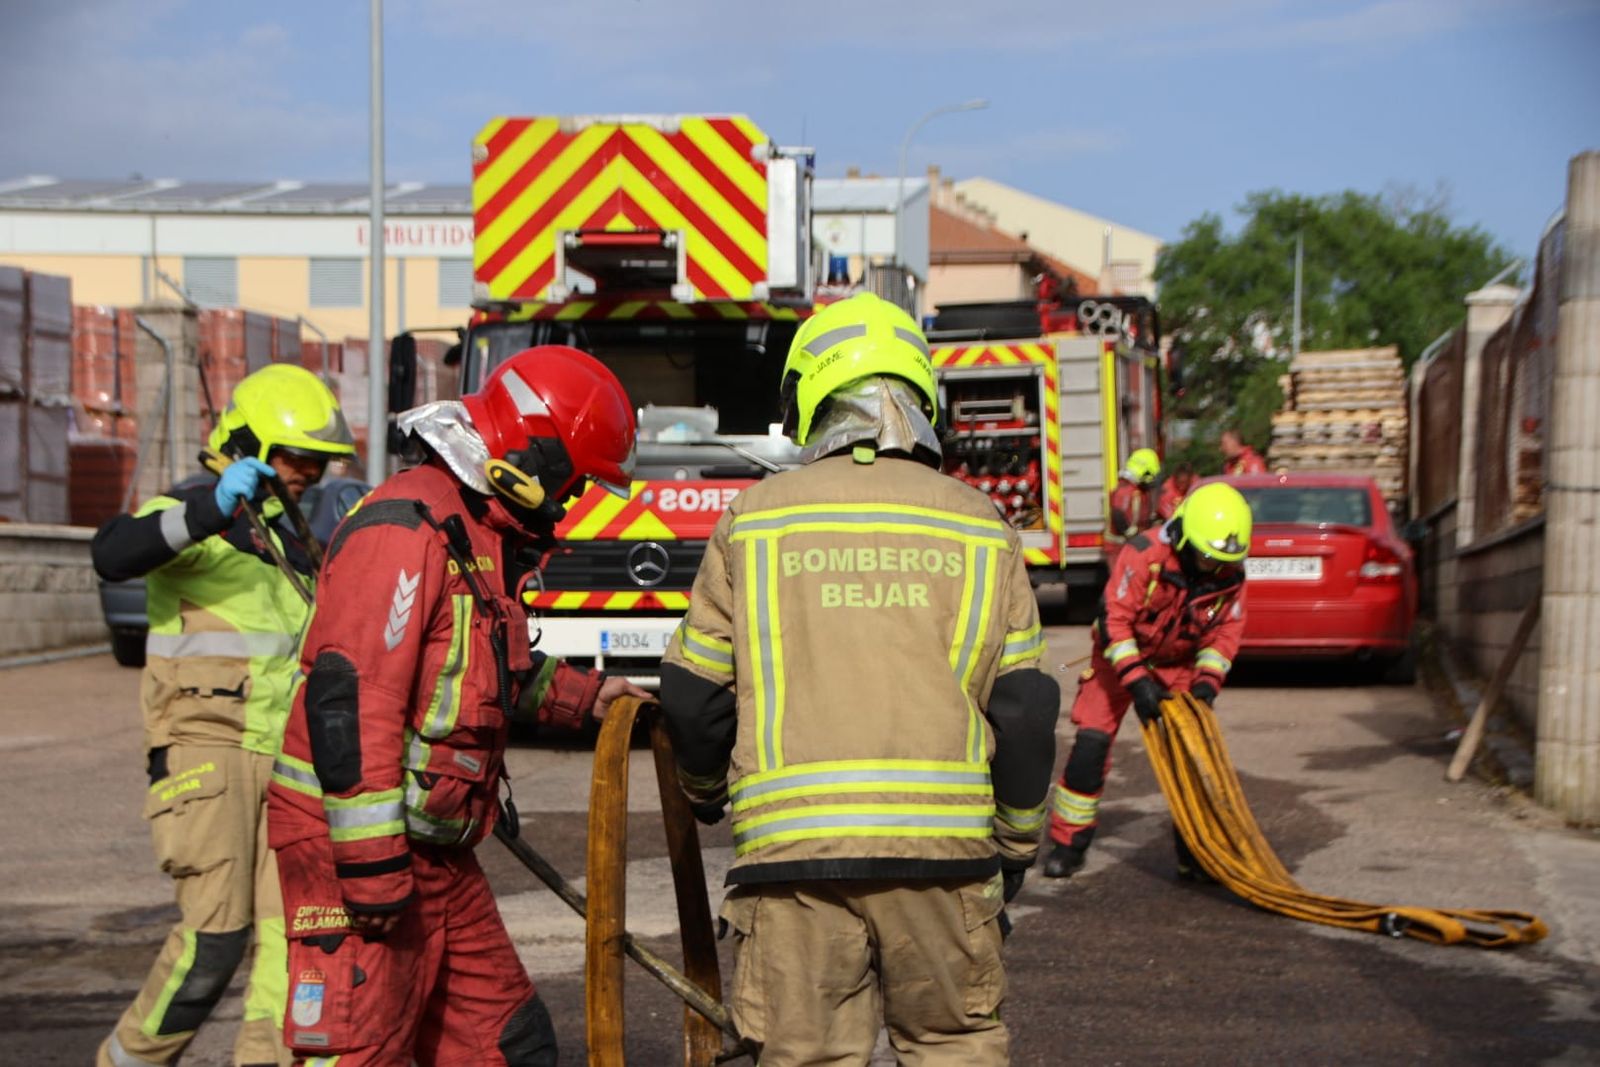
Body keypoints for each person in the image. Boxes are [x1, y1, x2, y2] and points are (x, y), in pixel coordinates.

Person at [658, 293, 1061, 1065]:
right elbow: (1026, 710)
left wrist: (705, 794)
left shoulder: (756, 520)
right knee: (954, 1047)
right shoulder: (983, 524)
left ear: (809, 398)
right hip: (948, 867)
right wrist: (1012, 846)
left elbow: (693, 692)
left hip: (794, 866)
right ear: (921, 395)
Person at [265, 346, 648, 1066]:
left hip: (433, 849)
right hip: (356, 848)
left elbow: (489, 671)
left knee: (508, 1045)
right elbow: (353, 701)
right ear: (531, 451)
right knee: (361, 1049)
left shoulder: (475, 530)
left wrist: (592, 697)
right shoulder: (406, 529)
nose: (569, 499)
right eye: (571, 478)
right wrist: (373, 865)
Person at [92, 364, 356, 1067]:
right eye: (298, 457)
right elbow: (112, 553)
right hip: (208, 754)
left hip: (288, 765)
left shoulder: (290, 541)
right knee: (215, 938)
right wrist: (209, 508)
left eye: (319, 461)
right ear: (250, 446)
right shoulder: (195, 516)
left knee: (291, 941)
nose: (311, 473)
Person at [1041, 481, 1251, 881]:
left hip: (1178, 664)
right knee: (1090, 747)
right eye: (1206, 557)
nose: (1214, 567)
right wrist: (1137, 681)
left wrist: (1206, 685)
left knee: (1189, 757)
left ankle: (1194, 850)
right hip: (1119, 657)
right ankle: (1069, 846)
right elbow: (1114, 622)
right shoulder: (1144, 554)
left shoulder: (1230, 570)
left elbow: (1225, 634)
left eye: (1221, 560)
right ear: (1185, 537)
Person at [1108, 447, 1160, 541]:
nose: (1150, 480)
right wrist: (1129, 534)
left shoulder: (1138, 489)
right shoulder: (1127, 489)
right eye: (1150, 475)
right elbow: (1117, 514)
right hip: (1121, 547)